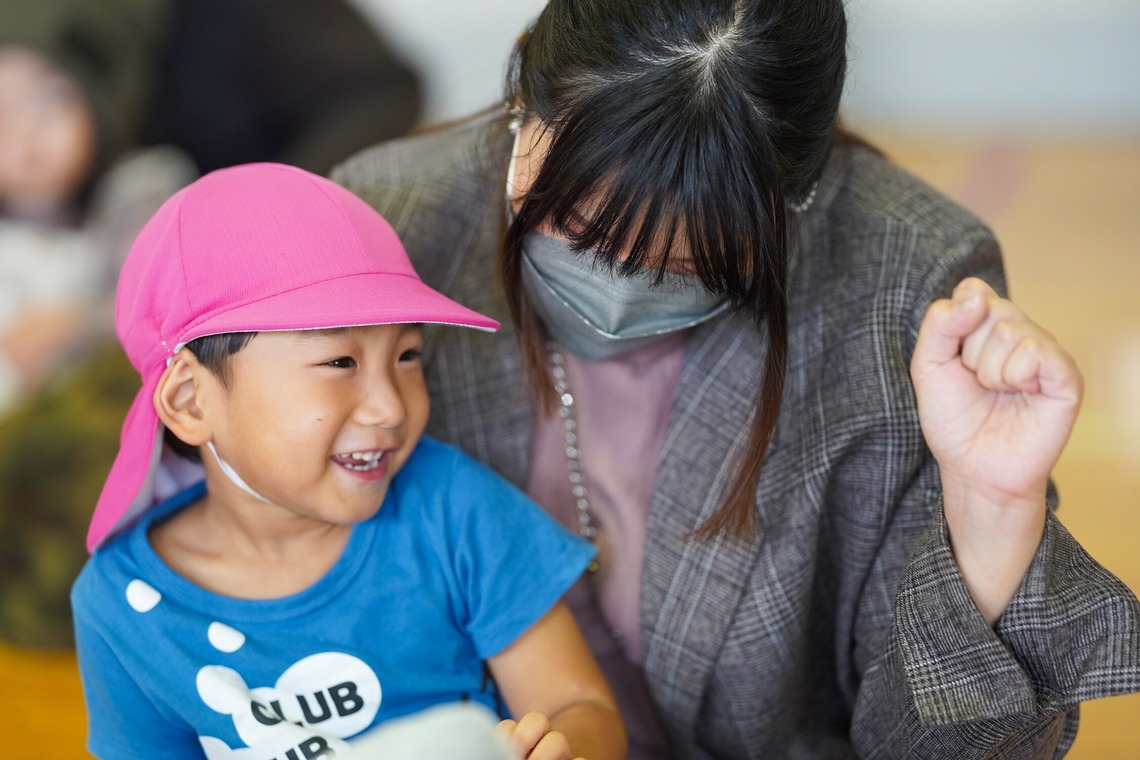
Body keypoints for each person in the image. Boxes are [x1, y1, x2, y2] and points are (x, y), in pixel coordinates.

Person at [331, 0, 1140, 757]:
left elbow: (930, 743)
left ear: (798, 196)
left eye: (685, 268)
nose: (614, 289)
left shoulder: (903, 288)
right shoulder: (379, 228)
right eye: (573, 225)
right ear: (521, 89)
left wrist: (993, 513)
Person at [69, 163, 627, 759]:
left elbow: (582, 708)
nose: (391, 407)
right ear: (189, 399)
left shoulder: (452, 507)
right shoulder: (120, 607)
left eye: (408, 355)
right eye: (340, 362)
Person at [0, 0, 425, 647]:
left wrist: (268, 223)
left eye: (48, 104)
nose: (24, 139)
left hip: (245, 292)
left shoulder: (142, 189)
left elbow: (384, 89)